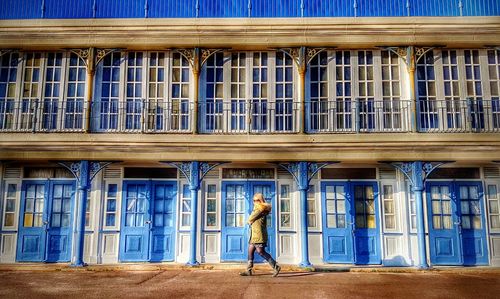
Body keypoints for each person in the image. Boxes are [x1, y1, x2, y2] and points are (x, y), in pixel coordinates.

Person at [239, 193, 281, 277]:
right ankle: (248, 270)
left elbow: (250, 219)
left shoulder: (260, 210)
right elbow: (251, 219)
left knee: (260, 252)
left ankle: (276, 266)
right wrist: (250, 220)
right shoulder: (257, 209)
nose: (254, 202)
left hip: (259, 234)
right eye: (253, 200)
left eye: (256, 200)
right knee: (250, 251)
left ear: (260, 201)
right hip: (254, 234)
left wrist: (250, 220)